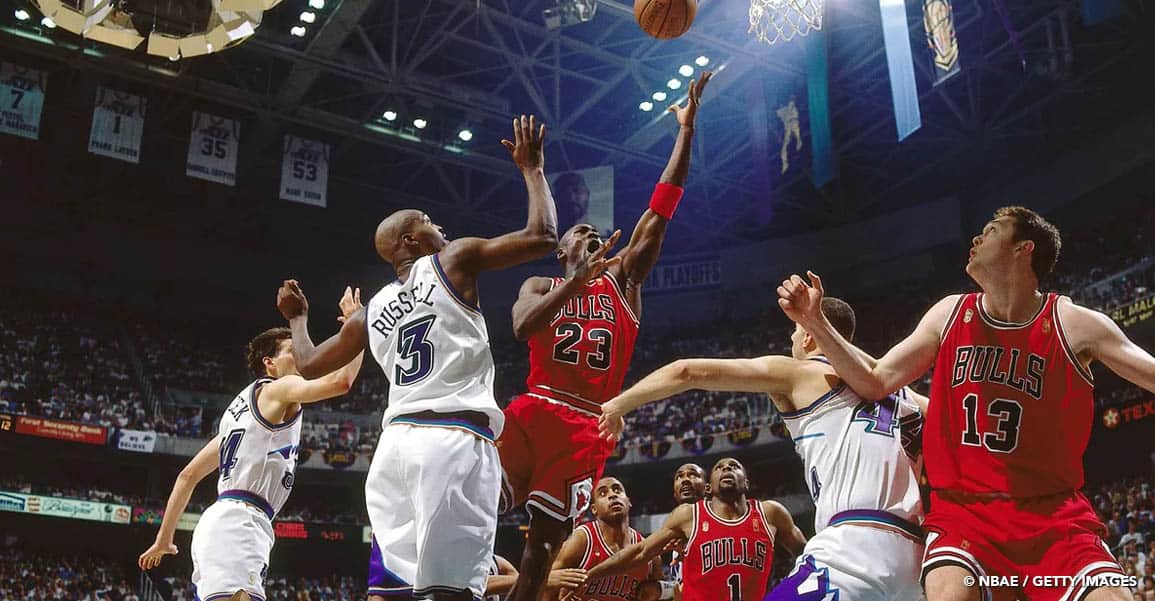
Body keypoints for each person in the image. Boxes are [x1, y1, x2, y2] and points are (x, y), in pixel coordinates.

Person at [776, 206, 1153, 601]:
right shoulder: (950, 313)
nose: (976, 238)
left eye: (992, 231)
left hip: (1054, 517)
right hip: (966, 517)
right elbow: (875, 381)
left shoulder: (1074, 324)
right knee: (951, 594)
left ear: (1023, 248)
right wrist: (815, 321)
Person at [277, 115, 559, 601]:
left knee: (393, 594)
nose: (439, 225)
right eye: (427, 220)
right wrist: (532, 169)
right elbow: (543, 236)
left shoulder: (370, 312)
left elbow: (307, 363)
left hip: (393, 453)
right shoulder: (453, 260)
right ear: (409, 240)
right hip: (451, 440)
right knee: (453, 592)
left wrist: (298, 318)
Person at [499, 71, 713, 601]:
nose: (592, 236)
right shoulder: (541, 284)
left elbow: (661, 209)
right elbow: (521, 327)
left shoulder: (624, 281)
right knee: (478, 505)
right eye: (582, 233)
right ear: (561, 250)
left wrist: (686, 130)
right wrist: (575, 282)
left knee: (541, 551)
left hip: (584, 423)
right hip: (533, 407)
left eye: (598, 234)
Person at [599, 297, 927, 601]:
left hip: (853, 543)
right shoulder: (910, 398)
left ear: (809, 337)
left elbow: (687, 371)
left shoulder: (802, 372)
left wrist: (617, 405)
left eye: (795, 333)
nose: (792, 341)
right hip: (916, 558)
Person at [138, 290, 364, 601]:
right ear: (269, 363)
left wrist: (164, 539)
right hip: (241, 524)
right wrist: (357, 328)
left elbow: (187, 476)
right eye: (292, 350)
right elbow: (341, 382)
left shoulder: (238, 412)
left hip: (222, 524)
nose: (302, 353)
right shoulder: (280, 388)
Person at [579, 458, 805, 601]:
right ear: (710, 487)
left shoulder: (770, 513)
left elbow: (810, 555)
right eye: (719, 467)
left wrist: (787, 592)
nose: (726, 468)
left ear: (746, 483)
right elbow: (640, 552)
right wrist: (588, 576)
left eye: (734, 466)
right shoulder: (687, 518)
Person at [544, 477, 665, 601]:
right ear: (594, 509)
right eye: (603, 493)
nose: (612, 495)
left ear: (628, 502)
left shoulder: (649, 554)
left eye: (617, 490)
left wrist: (658, 591)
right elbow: (545, 586)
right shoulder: (581, 540)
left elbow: (661, 593)